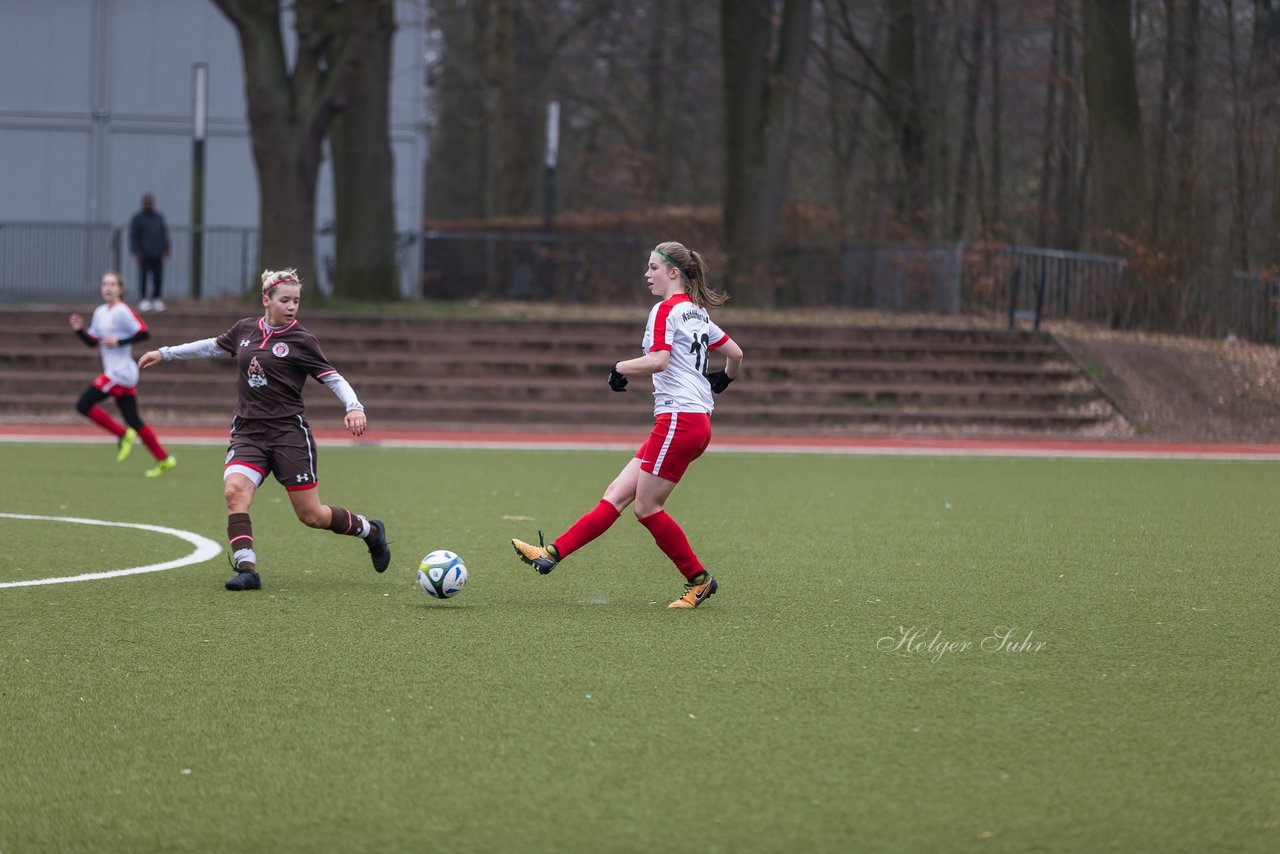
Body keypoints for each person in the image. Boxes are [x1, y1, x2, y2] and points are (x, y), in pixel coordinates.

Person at [511, 241, 744, 609]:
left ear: (672, 272)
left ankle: (699, 581)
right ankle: (551, 553)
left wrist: (618, 368)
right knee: (617, 493)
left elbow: (659, 360)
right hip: (691, 422)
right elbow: (736, 354)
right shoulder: (697, 314)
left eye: (653, 268)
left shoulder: (665, 310)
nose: (647, 274)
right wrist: (723, 381)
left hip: (679, 421)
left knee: (646, 508)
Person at [137, 268, 391, 591]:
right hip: (248, 433)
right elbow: (211, 346)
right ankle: (247, 569)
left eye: (296, 301)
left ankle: (371, 531)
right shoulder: (245, 329)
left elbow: (333, 378)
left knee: (311, 515)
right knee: (235, 492)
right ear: (266, 300)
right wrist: (166, 353)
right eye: (285, 300)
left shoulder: (302, 340)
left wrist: (354, 406)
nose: (291, 307)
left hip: (288, 435)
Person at [69, 270, 177, 477]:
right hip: (116, 372)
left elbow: (144, 332)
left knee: (83, 404)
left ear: (120, 289)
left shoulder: (122, 311)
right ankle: (164, 459)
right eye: (104, 284)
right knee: (134, 420)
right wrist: (79, 330)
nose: (107, 288)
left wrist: (119, 341)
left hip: (121, 373)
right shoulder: (100, 312)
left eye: (112, 285)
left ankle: (122, 435)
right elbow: (93, 342)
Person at [129, 193, 170, 311]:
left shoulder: (159, 217)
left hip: (157, 252)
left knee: (158, 277)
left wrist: (166, 248)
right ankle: (143, 299)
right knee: (143, 277)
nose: (148, 205)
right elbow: (134, 236)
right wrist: (136, 251)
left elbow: (164, 233)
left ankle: (157, 298)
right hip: (144, 253)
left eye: (150, 203)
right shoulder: (137, 218)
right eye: (146, 203)